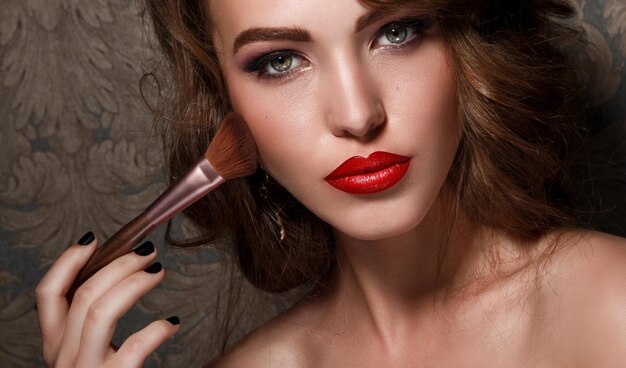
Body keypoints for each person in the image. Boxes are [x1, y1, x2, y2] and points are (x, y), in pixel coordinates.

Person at [36, 0, 626, 366]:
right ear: (224, 101)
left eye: (397, 32)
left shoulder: (610, 305)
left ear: (468, 40)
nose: (356, 113)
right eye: (279, 61)